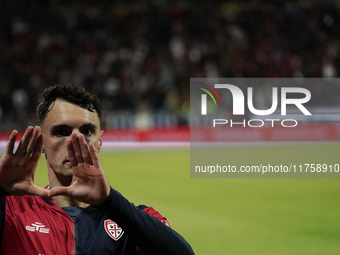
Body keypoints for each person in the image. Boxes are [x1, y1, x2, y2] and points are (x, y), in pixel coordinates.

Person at [0, 84, 194, 255]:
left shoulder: (129, 221)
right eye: (61, 132)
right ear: (42, 142)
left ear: (99, 142)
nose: (75, 141)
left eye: (87, 131)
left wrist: (109, 201)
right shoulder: (11, 212)